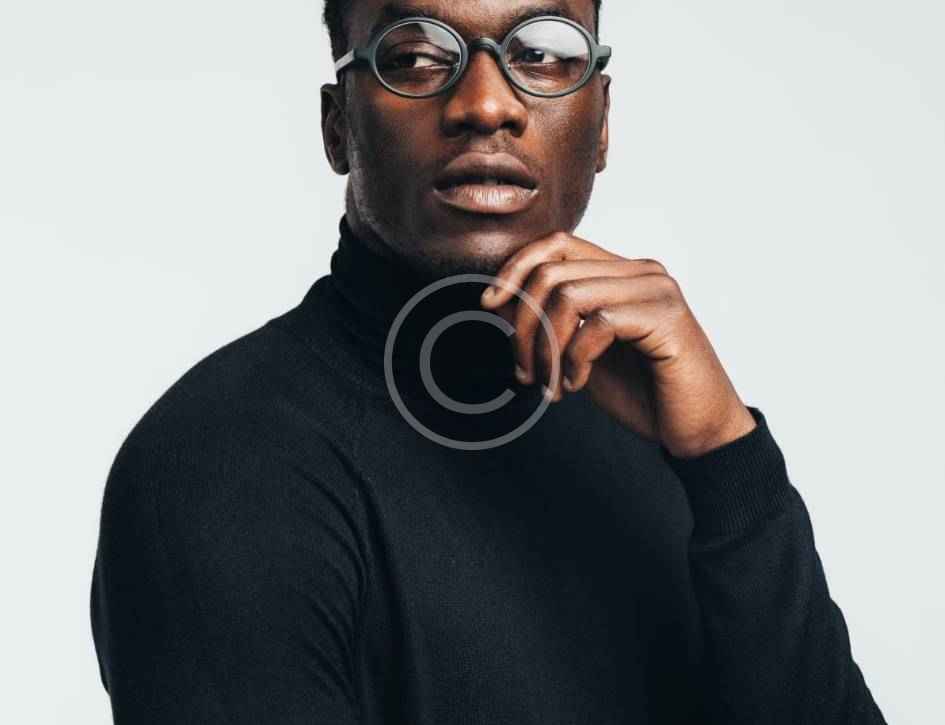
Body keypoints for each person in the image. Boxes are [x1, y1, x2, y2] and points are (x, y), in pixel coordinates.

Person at [90, 1, 888, 723]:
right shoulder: (219, 464)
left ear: (601, 123)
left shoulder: (671, 432)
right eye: (414, 56)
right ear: (337, 127)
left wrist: (726, 458)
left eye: (542, 51)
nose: (485, 104)